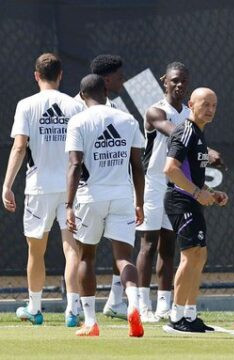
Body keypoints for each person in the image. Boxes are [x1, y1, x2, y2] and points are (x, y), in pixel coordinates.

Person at [136, 62, 225, 323]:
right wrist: (206, 151)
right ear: (165, 81)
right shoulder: (157, 111)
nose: (179, 85)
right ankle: (142, 305)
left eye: (183, 81)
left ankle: (166, 304)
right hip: (155, 182)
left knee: (170, 247)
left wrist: (206, 185)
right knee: (148, 244)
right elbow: (172, 131)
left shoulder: (191, 113)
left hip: (179, 185)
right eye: (174, 80)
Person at [3, 53, 84, 327]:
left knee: (35, 251)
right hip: (70, 189)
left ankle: (35, 309)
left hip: (38, 189)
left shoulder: (26, 105)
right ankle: (72, 311)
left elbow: (19, 146)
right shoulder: (75, 106)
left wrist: (6, 185)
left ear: (37, 76)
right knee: (72, 248)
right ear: (60, 75)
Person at [65, 74, 145, 337]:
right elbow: (137, 166)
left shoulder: (78, 121)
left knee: (87, 255)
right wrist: (140, 202)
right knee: (124, 258)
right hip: (123, 196)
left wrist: (68, 205)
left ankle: (91, 322)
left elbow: (75, 165)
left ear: (82, 94)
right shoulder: (128, 119)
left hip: (90, 198)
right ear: (105, 92)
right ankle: (134, 304)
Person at [162, 87, 228, 334]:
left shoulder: (198, 133)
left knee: (200, 255)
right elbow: (170, 169)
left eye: (213, 105)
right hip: (180, 200)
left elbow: (191, 173)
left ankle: (190, 315)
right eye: (205, 104)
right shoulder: (186, 131)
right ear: (191, 104)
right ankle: (176, 317)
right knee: (190, 256)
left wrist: (210, 192)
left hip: (190, 199)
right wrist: (197, 193)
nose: (210, 109)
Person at [74, 54, 129, 319]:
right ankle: (75, 306)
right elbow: (73, 161)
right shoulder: (76, 109)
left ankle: (116, 302)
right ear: (105, 82)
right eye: (119, 76)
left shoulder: (118, 111)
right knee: (81, 251)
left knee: (108, 251)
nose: (124, 80)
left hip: (100, 191)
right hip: (81, 189)